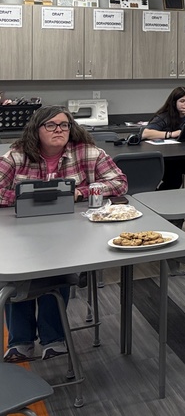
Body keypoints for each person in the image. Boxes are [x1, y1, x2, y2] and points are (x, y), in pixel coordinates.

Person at [1, 106, 128, 362]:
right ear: (36, 130)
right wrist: (35, 196)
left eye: (64, 125)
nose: (58, 130)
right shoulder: (17, 155)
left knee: (58, 270)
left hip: (70, 235)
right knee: (17, 276)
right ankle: (21, 341)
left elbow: (119, 183)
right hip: (23, 234)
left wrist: (81, 192)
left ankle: (53, 339)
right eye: (51, 125)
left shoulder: (88, 152)